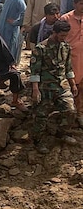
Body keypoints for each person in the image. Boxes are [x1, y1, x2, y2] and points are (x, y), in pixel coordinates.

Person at [30, 19, 78, 153]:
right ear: (54, 32)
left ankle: (62, 133)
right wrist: (35, 90)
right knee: (41, 116)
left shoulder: (66, 47)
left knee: (70, 110)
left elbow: (68, 68)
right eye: (62, 35)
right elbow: (35, 71)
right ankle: (38, 141)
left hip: (61, 86)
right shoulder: (41, 48)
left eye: (66, 35)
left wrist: (72, 84)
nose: (64, 38)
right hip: (44, 88)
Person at [60, 0, 83, 126]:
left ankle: (80, 113)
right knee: (71, 87)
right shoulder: (66, 18)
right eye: (81, 3)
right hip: (70, 60)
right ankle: (68, 117)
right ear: (75, 4)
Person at [0, 0, 26, 64]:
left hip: (10, 31)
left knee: (10, 51)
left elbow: (25, 12)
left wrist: (15, 22)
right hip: (2, 29)